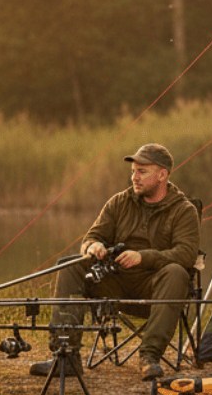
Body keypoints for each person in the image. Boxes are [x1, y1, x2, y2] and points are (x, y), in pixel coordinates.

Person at [31, 144, 200, 381]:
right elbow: (92, 237)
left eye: (142, 171)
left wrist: (143, 257)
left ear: (162, 175)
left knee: (176, 272)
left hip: (154, 290)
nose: (134, 177)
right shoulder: (119, 202)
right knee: (70, 264)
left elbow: (186, 255)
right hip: (114, 284)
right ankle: (65, 356)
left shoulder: (184, 211)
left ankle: (149, 357)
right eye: (133, 171)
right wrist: (94, 247)